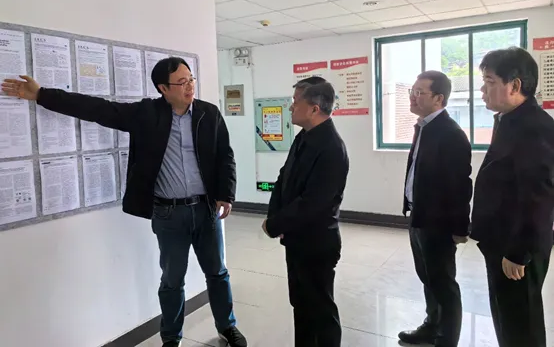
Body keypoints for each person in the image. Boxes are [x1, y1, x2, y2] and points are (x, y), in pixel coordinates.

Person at [2, 57, 247, 347]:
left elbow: (225, 156)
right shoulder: (146, 114)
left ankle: (227, 326)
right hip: (169, 214)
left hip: (206, 210)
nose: (190, 86)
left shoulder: (209, 113)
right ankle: (171, 338)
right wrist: (42, 94)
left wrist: (226, 194)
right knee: (172, 281)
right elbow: (98, 109)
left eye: (191, 79)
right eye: (181, 82)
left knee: (217, 273)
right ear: (163, 88)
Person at [471, 47, 554, 347]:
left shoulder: (534, 127)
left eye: (489, 82)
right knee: (508, 319)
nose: (482, 90)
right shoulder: (511, 119)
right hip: (502, 239)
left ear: (515, 85)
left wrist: (518, 252)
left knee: (522, 325)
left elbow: (539, 197)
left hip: (517, 246)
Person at [261, 76, 349, 347]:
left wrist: (275, 224)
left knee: (320, 309)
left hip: (316, 242)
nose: (291, 107)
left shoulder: (331, 147)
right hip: (297, 238)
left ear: (314, 109)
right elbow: (284, 178)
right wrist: (275, 217)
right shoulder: (304, 137)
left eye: (296, 102)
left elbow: (313, 202)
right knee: (301, 304)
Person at [398, 71, 472, 347]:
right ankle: (432, 326)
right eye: (412, 91)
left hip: (438, 222)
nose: (413, 97)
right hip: (419, 215)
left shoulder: (451, 134)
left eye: (420, 93)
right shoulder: (423, 127)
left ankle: (447, 339)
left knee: (443, 283)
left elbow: (460, 185)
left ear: (439, 98)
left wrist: (460, 227)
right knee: (427, 277)